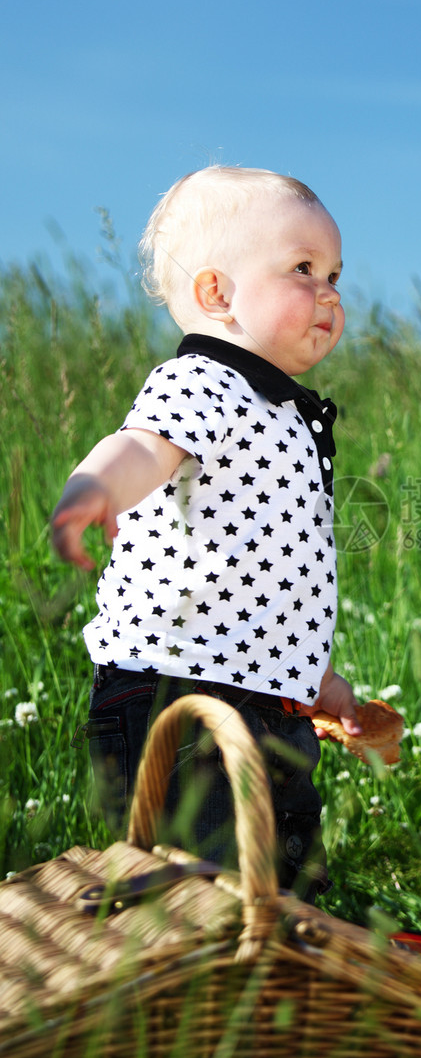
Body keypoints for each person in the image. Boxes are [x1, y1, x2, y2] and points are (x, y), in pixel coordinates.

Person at [51, 165, 361, 900]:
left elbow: (265, 575)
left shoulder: (282, 411)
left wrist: (311, 679)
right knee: (198, 883)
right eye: (303, 269)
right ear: (218, 293)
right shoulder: (207, 382)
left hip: (263, 702)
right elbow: (143, 445)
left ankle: (279, 992)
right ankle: (187, 1003)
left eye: (336, 274)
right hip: (173, 688)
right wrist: (96, 488)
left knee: (282, 884)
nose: (330, 292)